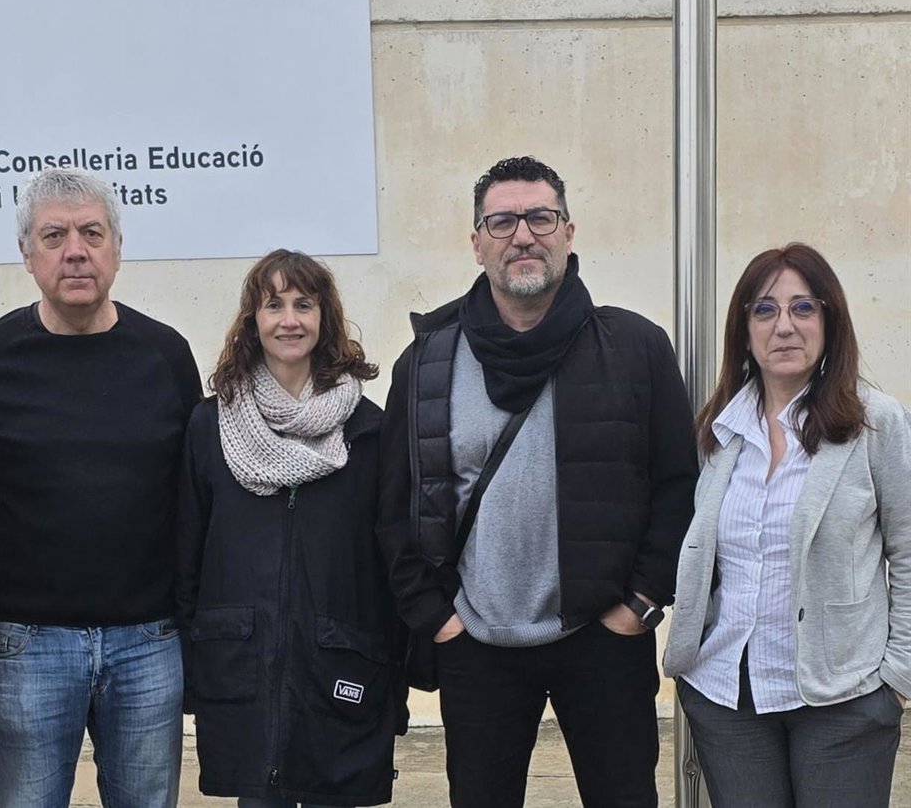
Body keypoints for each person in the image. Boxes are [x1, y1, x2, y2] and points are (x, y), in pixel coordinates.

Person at [377, 156, 699, 807]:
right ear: (477, 243)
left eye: (540, 218)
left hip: (603, 639)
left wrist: (639, 604)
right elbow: (394, 508)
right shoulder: (427, 362)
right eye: (502, 221)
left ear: (568, 232)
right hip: (476, 645)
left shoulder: (636, 348)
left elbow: (677, 486)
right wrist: (437, 619)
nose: (522, 235)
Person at [0, 168, 202, 808]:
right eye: (53, 236)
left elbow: (193, 495)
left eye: (92, 233)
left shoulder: (166, 355)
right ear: (26, 253)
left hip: (148, 640)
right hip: (25, 643)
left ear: (117, 248)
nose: (75, 251)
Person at [663, 243, 911, 807]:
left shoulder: (875, 423)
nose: (784, 326)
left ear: (830, 322)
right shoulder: (719, 430)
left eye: (803, 308)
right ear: (744, 330)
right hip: (728, 698)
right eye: (765, 310)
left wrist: (898, 678)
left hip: (843, 700)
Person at [177, 250, 404, 808]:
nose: (289, 320)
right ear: (252, 319)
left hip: (340, 670)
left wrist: (398, 680)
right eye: (273, 305)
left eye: (304, 305)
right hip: (243, 671)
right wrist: (189, 666)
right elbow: (187, 555)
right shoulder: (211, 426)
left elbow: (391, 562)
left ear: (325, 317)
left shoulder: (369, 430)